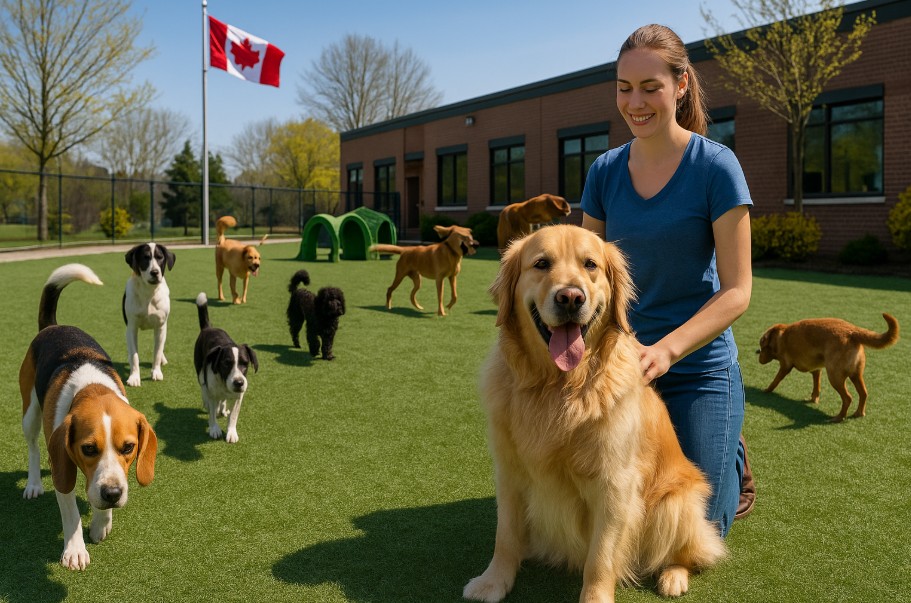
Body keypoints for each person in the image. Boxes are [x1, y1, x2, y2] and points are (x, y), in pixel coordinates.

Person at [580, 24, 754, 537]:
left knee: (697, 531)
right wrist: (622, 348)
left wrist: (667, 350)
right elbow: (590, 279)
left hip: (698, 366)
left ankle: (731, 447)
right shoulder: (604, 172)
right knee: (602, 515)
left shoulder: (717, 168)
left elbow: (737, 291)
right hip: (623, 363)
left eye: (650, 87)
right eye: (623, 87)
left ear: (680, 86)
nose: (635, 102)